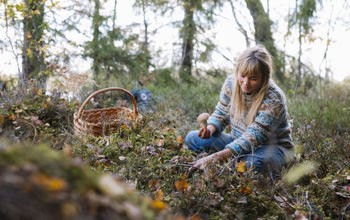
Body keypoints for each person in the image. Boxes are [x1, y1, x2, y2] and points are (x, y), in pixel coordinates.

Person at [185, 45, 295, 179]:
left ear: (264, 77)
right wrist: (210, 129)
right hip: (237, 140)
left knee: (252, 165)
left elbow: (253, 136)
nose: (245, 83)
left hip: (272, 148)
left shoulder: (273, 98)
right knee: (192, 138)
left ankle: (238, 161)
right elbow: (221, 113)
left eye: (253, 78)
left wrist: (213, 158)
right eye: (242, 76)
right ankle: (235, 160)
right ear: (237, 71)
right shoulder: (231, 83)